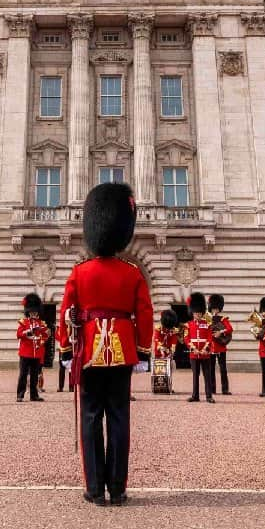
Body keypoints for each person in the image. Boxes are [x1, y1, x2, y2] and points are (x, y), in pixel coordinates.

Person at [59, 182, 153, 507]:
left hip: (88, 352)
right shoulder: (132, 273)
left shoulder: (79, 272)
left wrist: (67, 352)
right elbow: (145, 312)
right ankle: (118, 487)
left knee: (89, 418)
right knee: (118, 418)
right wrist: (142, 351)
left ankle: (95, 489)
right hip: (123, 350)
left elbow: (65, 313)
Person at [16, 293, 49, 402]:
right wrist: (28, 332)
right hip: (25, 352)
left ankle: (34, 395)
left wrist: (42, 340)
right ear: (28, 312)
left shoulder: (41, 323)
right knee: (23, 375)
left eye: (35, 312)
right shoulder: (23, 322)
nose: (34, 314)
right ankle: (20, 395)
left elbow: (45, 336)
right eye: (32, 312)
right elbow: (19, 334)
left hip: (36, 352)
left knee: (35, 376)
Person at [183, 292, 214, 403]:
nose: (198, 315)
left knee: (207, 375)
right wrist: (193, 349)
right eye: (196, 313)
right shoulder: (188, 325)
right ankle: (195, 396)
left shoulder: (207, 324)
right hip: (194, 353)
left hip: (205, 354)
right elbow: (186, 338)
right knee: (195, 376)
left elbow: (209, 338)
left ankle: (209, 396)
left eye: (200, 313)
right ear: (193, 313)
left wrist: (205, 348)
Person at [207, 294, 233, 395]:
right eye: (213, 309)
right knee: (211, 369)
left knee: (223, 369)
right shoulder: (207, 319)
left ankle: (225, 389)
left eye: (216, 309)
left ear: (219, 309)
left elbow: (230, 329)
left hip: (221, 347)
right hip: (211, 348)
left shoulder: (223, 319)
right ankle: (212, 389)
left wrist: (220, 332)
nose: (215, 310)